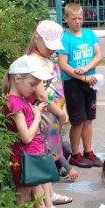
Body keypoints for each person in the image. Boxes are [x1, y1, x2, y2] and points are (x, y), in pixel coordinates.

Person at [2, 55, 72, 208]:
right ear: (17, 79)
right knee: (22, 201)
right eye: (32, 84)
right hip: (25, 159)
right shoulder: (14, 102)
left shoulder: (21, 99)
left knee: (36, 194)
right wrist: (39, 115)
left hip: (30, 157)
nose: (34, 89)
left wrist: (35, 112)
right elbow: (25, 136)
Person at [26, 19, 79, 190]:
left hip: (55, 113)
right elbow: (41, 95)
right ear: (36, 39)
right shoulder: (33, 61)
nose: (52, 49)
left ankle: (49, 191)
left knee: (56, 144)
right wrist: (60, 112)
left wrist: (63, 109)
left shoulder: (47, 58)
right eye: (48, 44)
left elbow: (57, 85)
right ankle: (46, 194)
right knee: (48, 147)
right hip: (46, 114)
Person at [57, 3, 104, 168]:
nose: (78, 21)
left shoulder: (90, 34)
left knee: (89, 118)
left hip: (90, 81)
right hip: (74, 84)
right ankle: (75, 155)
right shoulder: (65, 38)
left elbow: (99, 55)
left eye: (80, 18)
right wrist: (82, 77)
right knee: (78, 120)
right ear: (66, 19)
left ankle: (88, 151)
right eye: (74, 18)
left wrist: (86, 69)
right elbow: (63, 65)